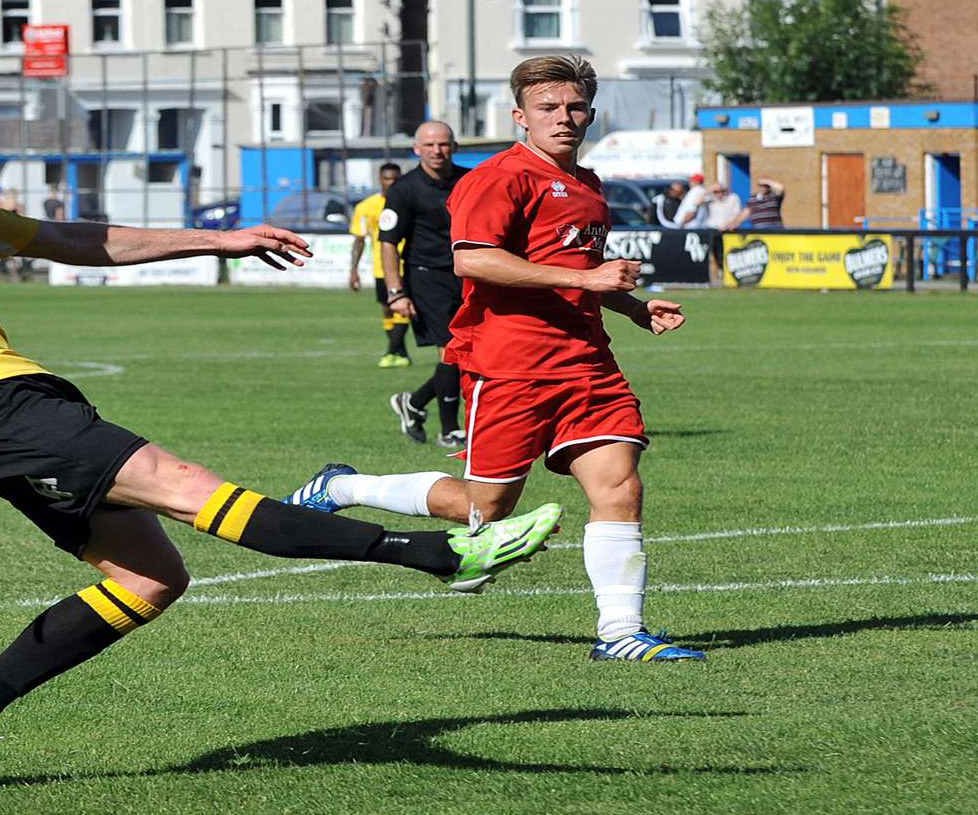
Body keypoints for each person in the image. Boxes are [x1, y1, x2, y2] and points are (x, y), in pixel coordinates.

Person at [0, 46, 565, 793]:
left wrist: (214, 239)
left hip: (7, 398)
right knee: (190, 490)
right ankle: (443, 552)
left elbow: (72, 240)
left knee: (148, 578)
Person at [288, 55, 702, 664]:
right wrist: (587, 282)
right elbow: (473, 260)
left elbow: (578, 276)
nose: (565, 118)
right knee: (483, 508)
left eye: (576, 107)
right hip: (512, 365)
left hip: (588, 364)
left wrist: (631, 306)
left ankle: (620, 633)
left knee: (620, 486)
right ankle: (344, 485)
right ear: (520, 117)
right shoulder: (497, 178)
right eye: (549, 109)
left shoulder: (587, 184)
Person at [381, 122, 470, 448]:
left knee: (472, 352)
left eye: (443, 144)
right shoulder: (403, 189)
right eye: (430, 145)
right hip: (425, 276)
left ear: (454, 146)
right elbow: (388, 242)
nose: (437, 151)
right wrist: (395, 292)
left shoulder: (468, 180)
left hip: (469, 276)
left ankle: (414, 403)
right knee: (452, 349)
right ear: (417, 149)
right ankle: (450, 430)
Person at [350, 162, 409, 367]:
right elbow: (359, 239)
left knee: (403, 307)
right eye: (387, 178)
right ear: (379, 180)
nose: (391, 182)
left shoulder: (408, 202)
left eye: (395, 178)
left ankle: (391, 351)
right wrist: (353, 271)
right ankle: (400, 353)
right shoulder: (366, 207)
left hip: (408, 265)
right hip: (381, 267)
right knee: (386, 308)